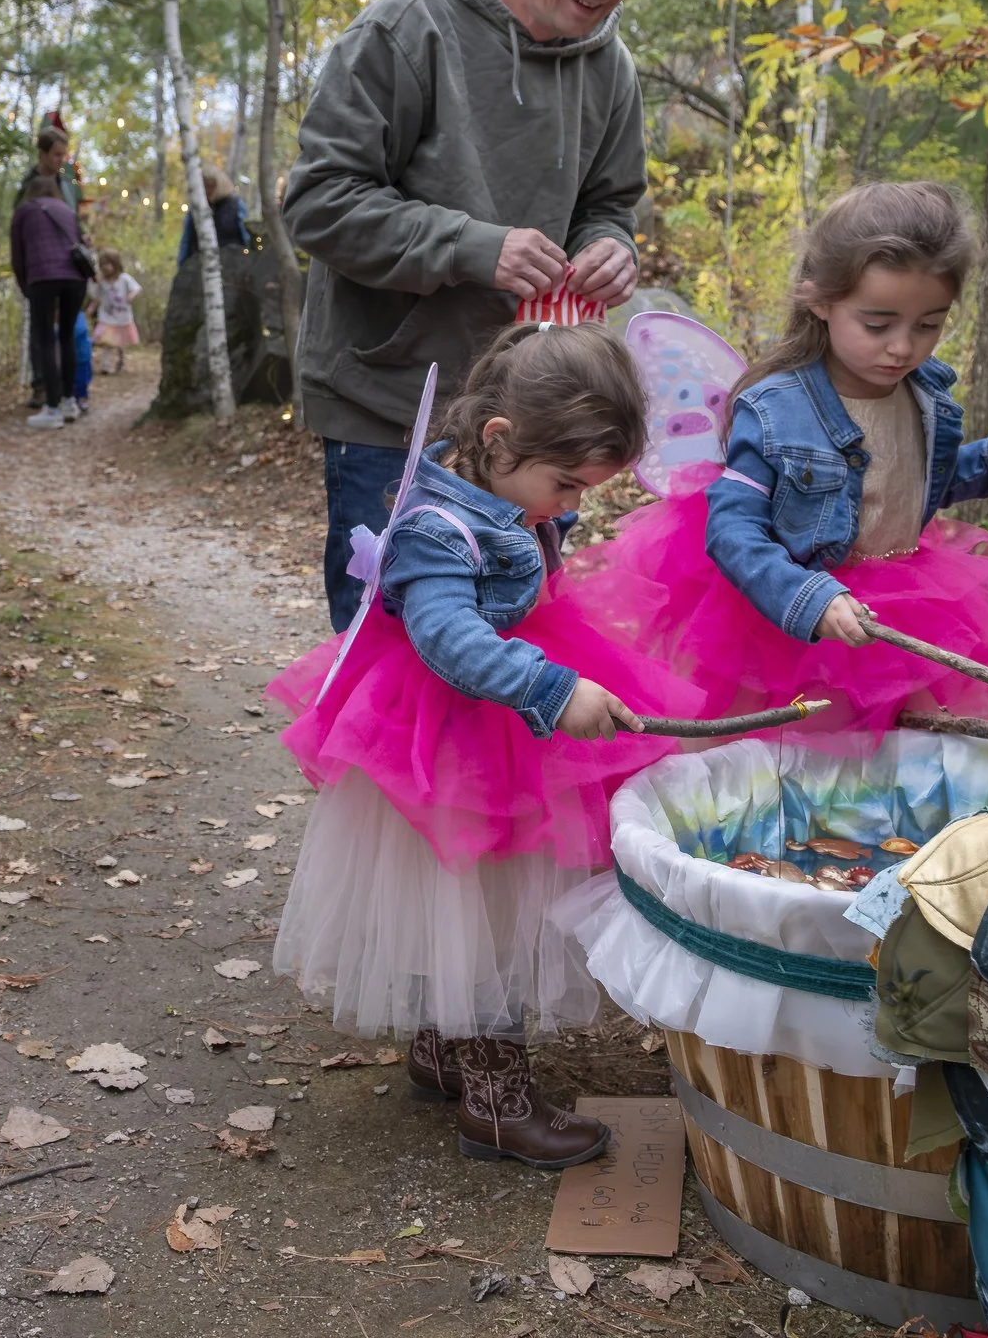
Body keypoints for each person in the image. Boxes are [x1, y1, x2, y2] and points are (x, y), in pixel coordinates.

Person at [268, 323, 708, 1168]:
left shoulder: (499, 488)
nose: (572, 505)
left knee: (464, 908)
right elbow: (447, 638)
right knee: (493, 912)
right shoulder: (438, 526)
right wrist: (551, 689)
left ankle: (443, 1049)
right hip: (459, 730)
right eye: (566, 484)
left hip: (498, 710)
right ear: (499, 439)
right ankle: (495, 1104)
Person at [287, 0, 666, 632]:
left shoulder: (613, 70)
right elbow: (318, 202)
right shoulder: (407, 31)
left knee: (518, 645)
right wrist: (473, 247)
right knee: (391, 645)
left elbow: (610, 200)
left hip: (534, 424)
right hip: (392, 407)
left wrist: (612, 246)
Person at [571, 181, 988, 736]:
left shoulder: (926, 392)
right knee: (785, 754)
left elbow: (922, 483)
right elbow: (733, 530)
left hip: (899, 607)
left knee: (882, 755)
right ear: (820, 300)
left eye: (929, 324)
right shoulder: (777, 407)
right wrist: (806, 598)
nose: (903, 347)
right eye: (878, 325)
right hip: (789, 616)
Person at [13, 169, 90, 429]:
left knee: (45, 339)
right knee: (66, 337)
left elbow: (18, 255)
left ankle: (52, 408)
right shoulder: (67, 210)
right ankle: (69, 402)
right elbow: (80, 240)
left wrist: (26, 287)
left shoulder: (24, 211)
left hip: (43, 278)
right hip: (75, 279)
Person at [177, 161, 250, 263]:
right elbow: (186, 241)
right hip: (199, 265)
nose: (207, 191)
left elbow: (246, 237)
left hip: (232, 264)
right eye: (204, 187)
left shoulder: (235, 205)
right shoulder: (196, 209)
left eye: (210, 186)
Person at [91, 250, 142, 373]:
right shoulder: (102, 282)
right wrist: (92, 308)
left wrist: (131, 296)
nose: (105, 267)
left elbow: (137, 288)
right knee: (107, 341)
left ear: (115, 264)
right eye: (102, 264)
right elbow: (97, 297)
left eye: (108, 264)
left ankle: (121, 361)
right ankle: (105, 365)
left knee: (120, 342)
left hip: (122, 316)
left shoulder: (124, 278)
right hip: (107, 316)